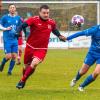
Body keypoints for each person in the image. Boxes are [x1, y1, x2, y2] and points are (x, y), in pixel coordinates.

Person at [16, 5, 66, 89]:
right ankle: (24, 78)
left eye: (47, 13)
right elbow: (21, 26)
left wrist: (59, 36)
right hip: (30, 47)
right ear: (39, 12)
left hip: (42, 49)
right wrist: (17, 32)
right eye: (44, 13)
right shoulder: (33, 19)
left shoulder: (51, 22)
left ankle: (22, 80)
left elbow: (54, 30)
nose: (46, 15)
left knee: (34, 63)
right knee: (26, 67)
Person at [66, 25, 100, 91]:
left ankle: (81, 86)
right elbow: (81, 33)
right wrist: (67, 38)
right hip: (92, 53)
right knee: (83, 71)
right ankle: (75, 79)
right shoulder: (95, 29)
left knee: (96, 72)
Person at [0, 4, 22, 75]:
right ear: (9, 9)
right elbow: (0, 25)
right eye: (11, 8)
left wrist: (18, 33)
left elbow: (20, 27)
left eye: (13, 7)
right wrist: (5, 28)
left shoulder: (18, 18)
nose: (12, 9)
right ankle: (2, 64)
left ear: (15, 9)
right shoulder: (5, 17)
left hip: (14, 40)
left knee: (14, 56)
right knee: (8, 56)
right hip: (7, 39)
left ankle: (9, 72)